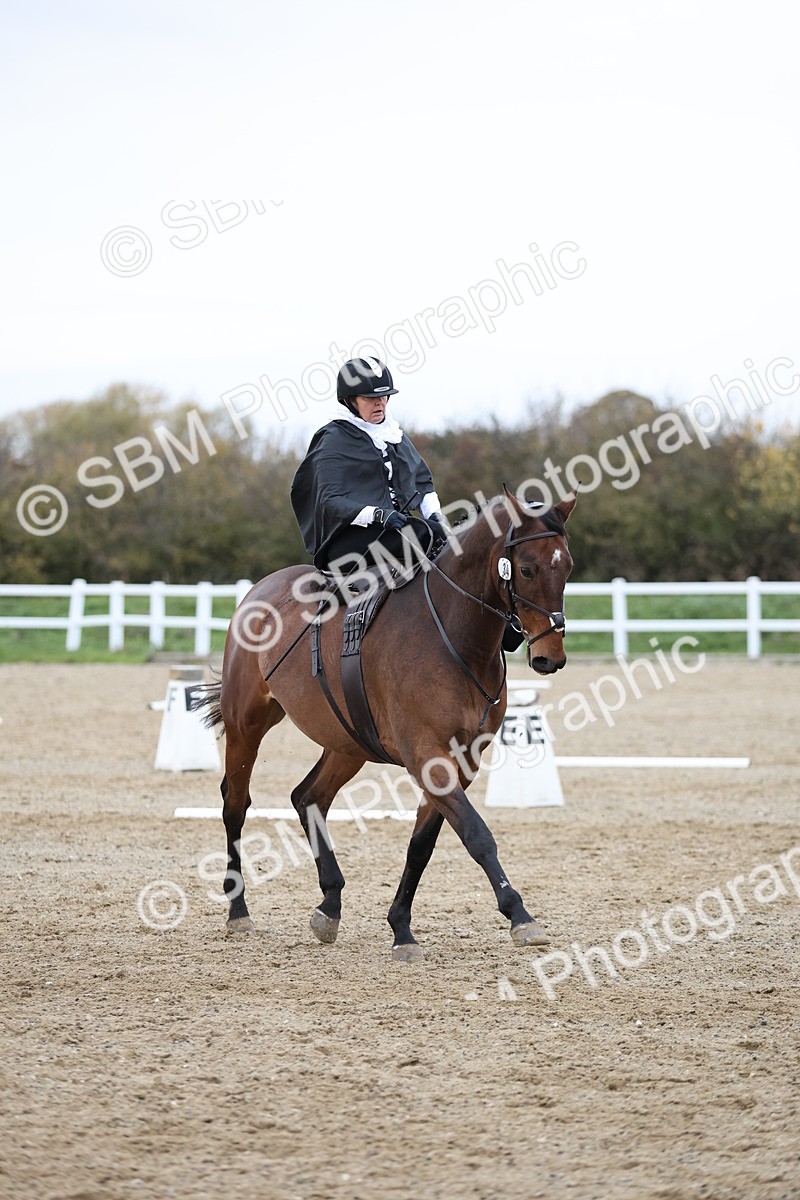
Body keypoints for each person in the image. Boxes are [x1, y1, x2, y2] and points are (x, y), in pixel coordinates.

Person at [291, 357, 448, 574]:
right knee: (426, 535)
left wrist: (435, 515)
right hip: (348, 539)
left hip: (394, 530)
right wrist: (377, 514)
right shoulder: (333, 439)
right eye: (370, 397)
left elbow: (422, 482)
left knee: (444, 534)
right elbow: (330, 500)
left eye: (384, 396)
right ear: (349, 400)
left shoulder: (392, 433)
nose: (380, 403)